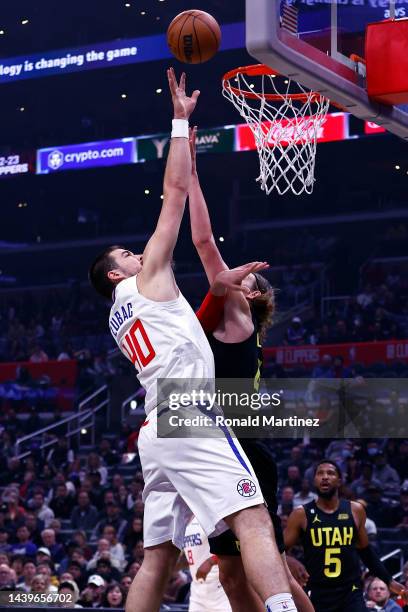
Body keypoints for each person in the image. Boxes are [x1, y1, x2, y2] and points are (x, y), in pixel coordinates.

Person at [89, 69, 297, 612]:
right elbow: (174, 194)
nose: (139, 253)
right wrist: (180, 123)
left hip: (156, 429)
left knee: (157, 557)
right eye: (127, 255)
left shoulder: (120, 314)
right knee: (252, 519)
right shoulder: (144, 279)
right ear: (116, 274)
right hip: (190, 413)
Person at [188, 126, 311, 612]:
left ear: (253, 294)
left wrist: (192, 173)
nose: (237, 274)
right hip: (219, 446)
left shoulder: (238, 313)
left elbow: (202, 242)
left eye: (247, 277)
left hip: (239, 450)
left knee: (268, 572)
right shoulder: (233, 319)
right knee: (234, 578)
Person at [284, 460, 407, 612]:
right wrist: (290, 560)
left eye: (330, 473)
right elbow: (278, 549)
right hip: (317, 592)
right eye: (320, 473)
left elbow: (366, 552)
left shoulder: (355, 510)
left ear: (339, 481)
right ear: (314, 480)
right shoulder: (300, 514)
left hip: (350, 591)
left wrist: (388, 580)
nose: (325, 477)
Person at [183, 516, 231, 611]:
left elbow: (233, 546)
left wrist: (210, 561)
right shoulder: (184, 519)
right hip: (197, 592)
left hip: (220, 591)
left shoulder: (212, 514)